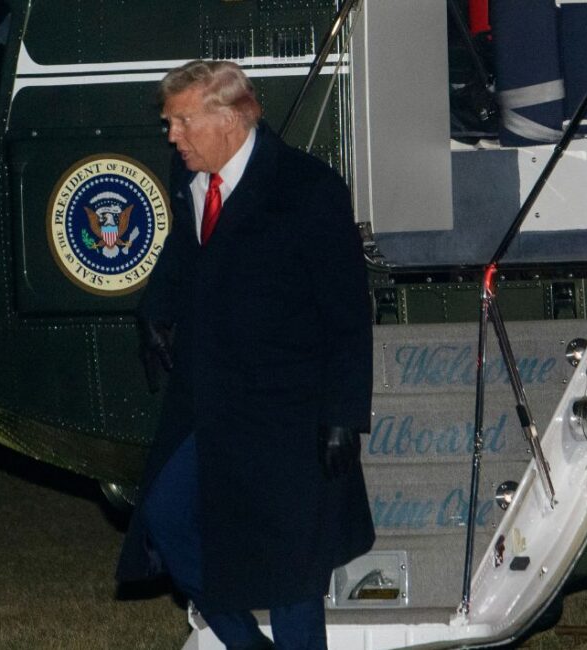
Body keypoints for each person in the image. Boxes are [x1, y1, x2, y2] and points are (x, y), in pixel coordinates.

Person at [115, 60, 375, 650]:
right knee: (164, 517)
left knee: (291, 574)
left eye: (181, 122)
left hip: (288, 413)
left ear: (229, 117)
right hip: (207, 404)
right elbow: (183, 253)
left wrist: (342, 414)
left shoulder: (306, 188)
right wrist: (155, 310)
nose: (171, 135)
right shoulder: (190, 180)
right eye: (169, 122)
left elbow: (346, 313)